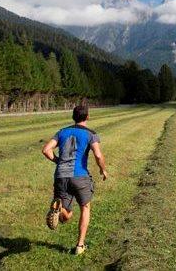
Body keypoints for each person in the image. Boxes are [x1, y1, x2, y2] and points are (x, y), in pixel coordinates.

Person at [41, 105, 108, 255]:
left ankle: (60, 209)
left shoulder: (62, 132)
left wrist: (59, 161)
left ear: (73, 117)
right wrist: (102, 169)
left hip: (61, 176)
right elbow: (98, 155)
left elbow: (46, 150)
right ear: (88, 117)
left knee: (66, 216)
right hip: (80, 176)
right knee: (85, 207)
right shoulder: (91, 134)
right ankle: (80, 245)